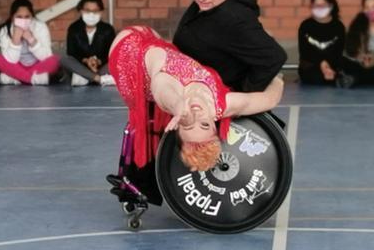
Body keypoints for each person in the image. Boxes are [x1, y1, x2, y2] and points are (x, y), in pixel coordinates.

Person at [110, 26, 284, 175]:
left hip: (127, 57)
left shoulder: (170, 92)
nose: (195, 116)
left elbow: (161, 88)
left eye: (187, 124)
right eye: (204, 125)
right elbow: (269, 100)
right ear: (214, 124)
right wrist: (277, 78)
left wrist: (178, 107)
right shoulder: (222, 105)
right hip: (155, 42)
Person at [0, 0, 59, 85]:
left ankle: (15, 78)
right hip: (16, 65)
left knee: (54, 60)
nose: (23, 20)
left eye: (27, 17)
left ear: (32, 16)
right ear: (12, 17)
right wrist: (16, 40)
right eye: (19, 17)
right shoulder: (4, 30)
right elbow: (10, 60)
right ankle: (32, 79)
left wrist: (31, 39)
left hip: (37, 65)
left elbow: (46, 56)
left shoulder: (40, 27)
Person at [60, 0, 117, 87]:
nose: (91, 14)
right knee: (65, 59)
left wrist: (98, 62)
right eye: (87, 10)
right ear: (81, 11)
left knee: (116, 61)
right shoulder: (74, 28)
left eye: (95, 11)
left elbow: (111, 54)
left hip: (100, 68)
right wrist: (86, 61)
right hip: (81, 66)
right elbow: (71, 53)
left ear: (101, 12)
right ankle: (98, 79)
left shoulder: (108, 29)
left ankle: (85, 78)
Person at [296, 0, 345, 86]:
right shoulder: (306, 25)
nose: (318, 8)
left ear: (331, 6)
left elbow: (339, 53)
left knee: (336, 76)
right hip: (311, 67)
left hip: (332, 66)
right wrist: (321, 64)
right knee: (315, 77)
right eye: (315, 5)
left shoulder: (339, 27)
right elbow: (305, 52)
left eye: (322, 5)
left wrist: (328, 66)